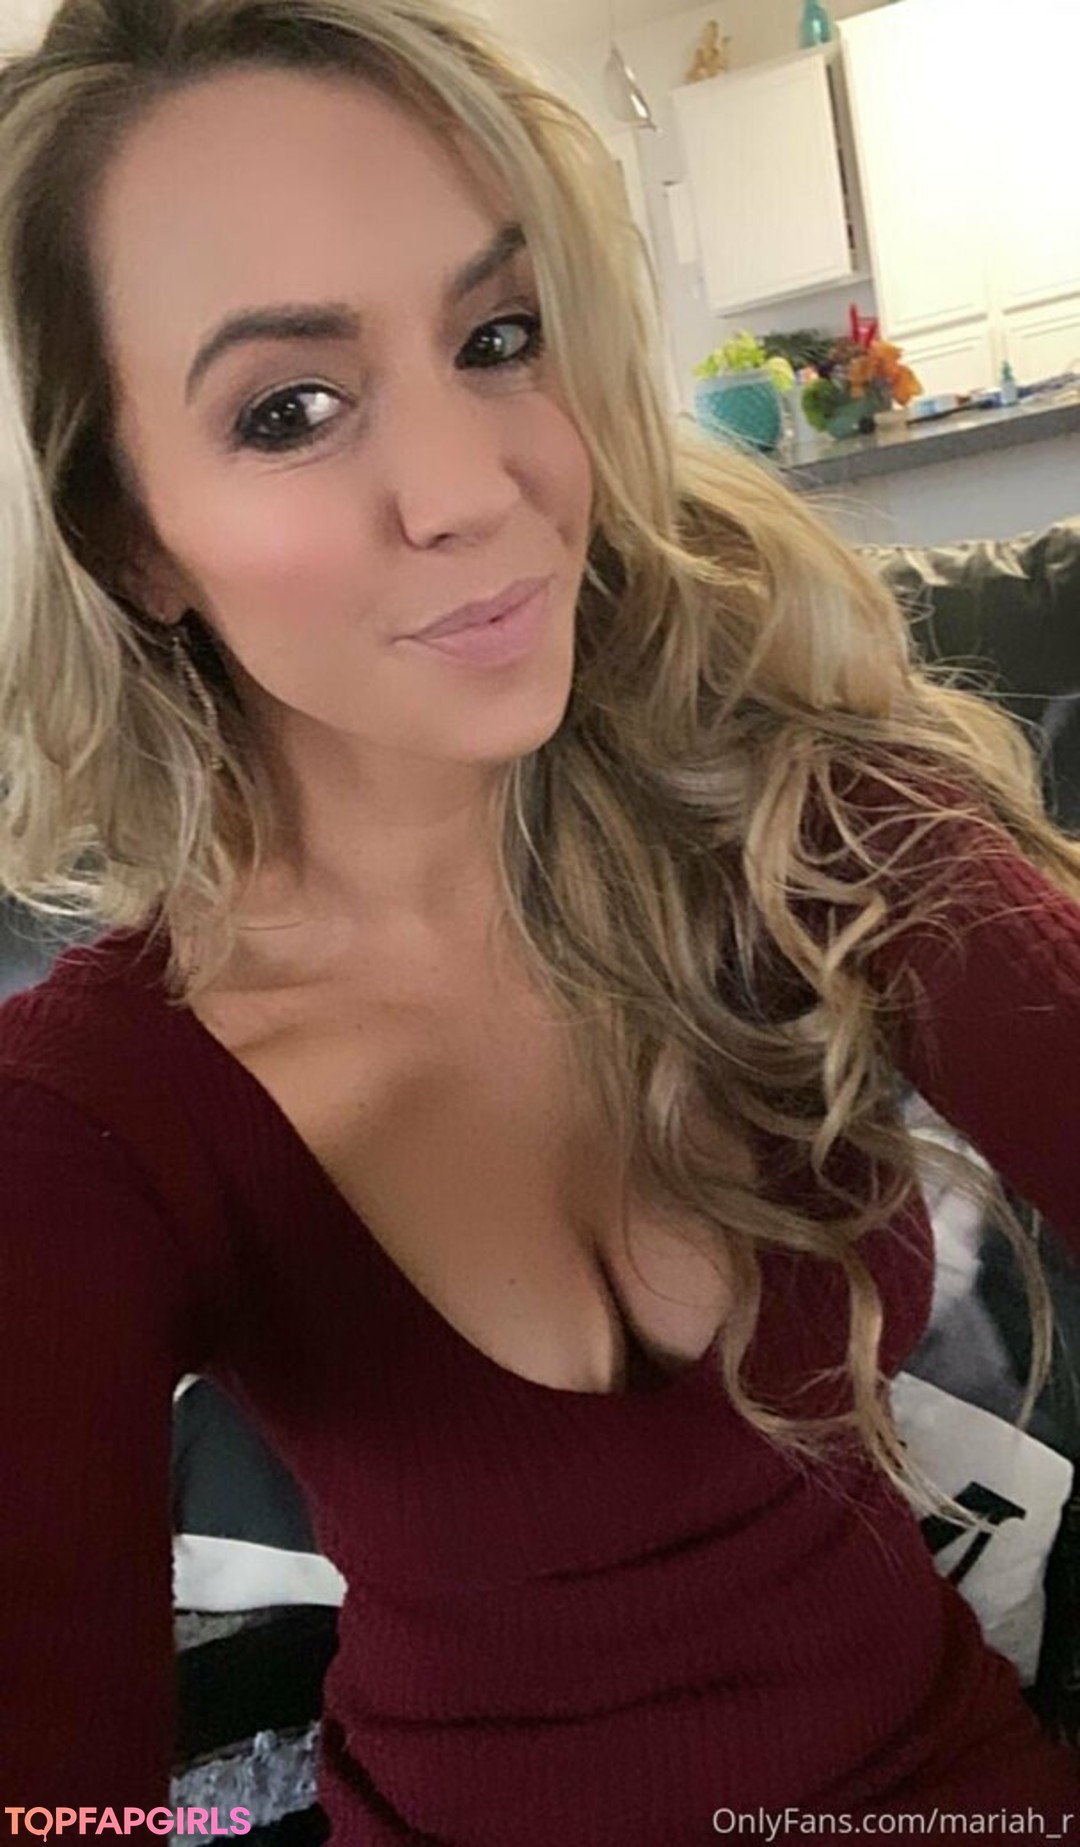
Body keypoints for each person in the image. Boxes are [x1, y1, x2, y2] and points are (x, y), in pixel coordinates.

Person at [1, 0, 1079, 1840]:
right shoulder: (90, 1118)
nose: (479, 492)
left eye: (498, 338)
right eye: (290, 409)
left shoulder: (796, 820)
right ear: (129, 535)